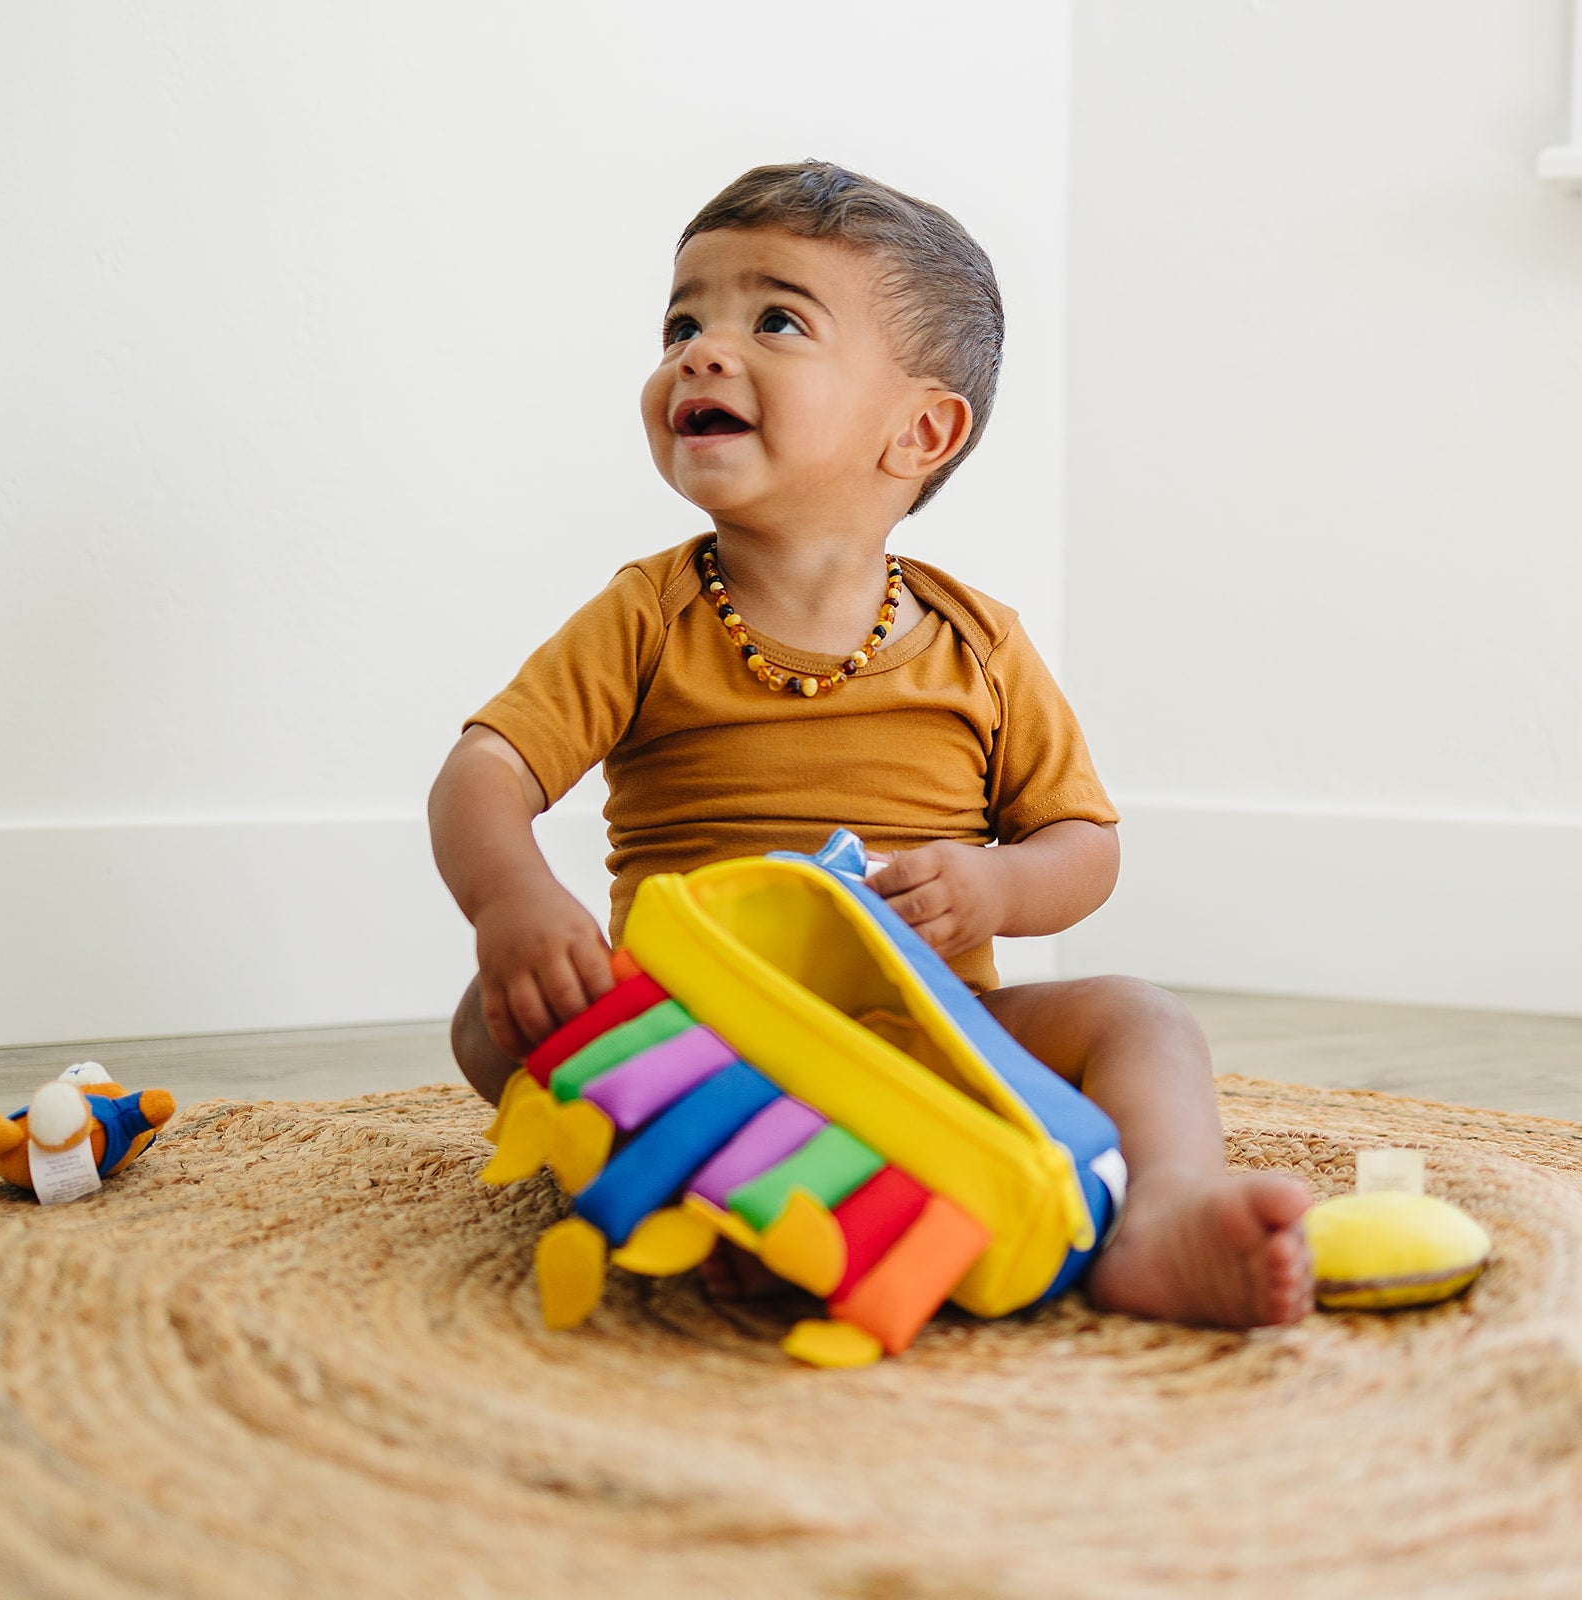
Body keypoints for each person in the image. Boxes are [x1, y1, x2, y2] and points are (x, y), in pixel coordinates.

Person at [428, 161, 1314, 1329]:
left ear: (920, 431)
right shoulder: (647, 616)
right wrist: (514, 904)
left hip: (930, 1036)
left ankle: (1163, 1215)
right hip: (703, 1041)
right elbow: (484, 769)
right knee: (492, 1022)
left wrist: (995, 885)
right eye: (683, 320)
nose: (700, 349)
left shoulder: (978, 644)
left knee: (1142, 1018)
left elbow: (1083, 845)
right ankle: (728, 1187)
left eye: (775, 319)